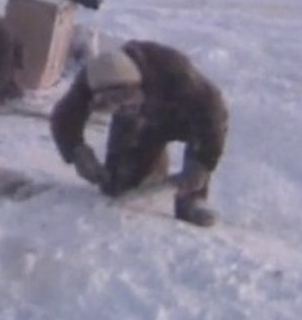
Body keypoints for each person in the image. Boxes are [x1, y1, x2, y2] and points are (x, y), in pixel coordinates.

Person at [50, 41, 228, 227]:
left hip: (187, 117)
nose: (123, 105)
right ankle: (151, 170)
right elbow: (64, 117)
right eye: (112, 102)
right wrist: (77, 151)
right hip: (140, 122)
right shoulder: (92, 78)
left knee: (196, 166)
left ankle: (192, 199)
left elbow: (213, 113)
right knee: (117, 187)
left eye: (126, 97)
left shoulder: (173, 70)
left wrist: (202, 162)